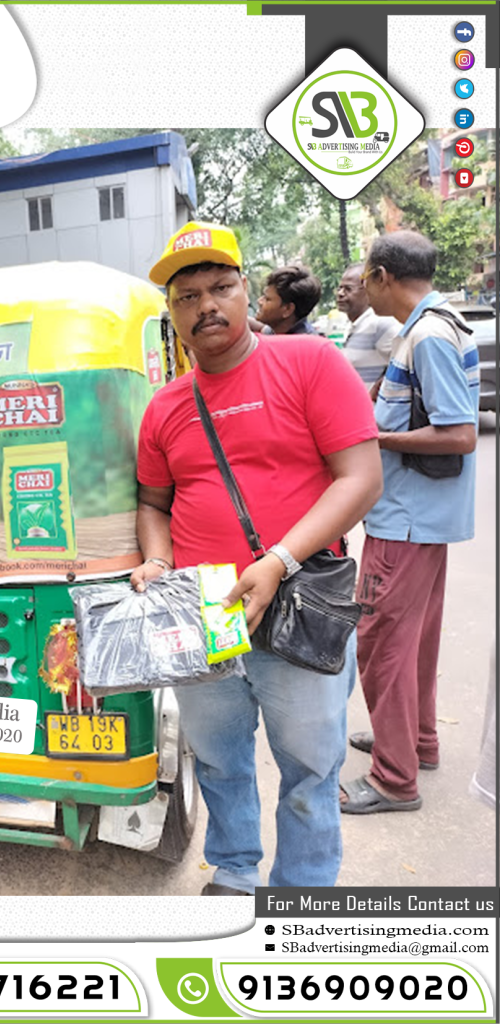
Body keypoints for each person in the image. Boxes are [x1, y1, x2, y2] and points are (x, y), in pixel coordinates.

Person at [134, 221, 382, 893]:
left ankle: (303, 890)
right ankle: (237, 872)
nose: (206, 305)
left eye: (221, 287)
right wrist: (156, 564)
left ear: (247, 292)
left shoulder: (310, 363)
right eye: (188, 296)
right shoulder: (163, 409)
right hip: (204, 608)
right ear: (173, 314)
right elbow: (155, 505)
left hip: (299, 599)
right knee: (218, 759)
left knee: (309, 768)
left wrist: (277, 560)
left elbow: (360, 478)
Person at [340, 231, 478, 815]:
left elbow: (460, 434)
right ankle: (414, 742)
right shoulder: (427, 325)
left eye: (363, 277)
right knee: (412, 642)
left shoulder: (427, 335)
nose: (359, 287)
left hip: (406, 521)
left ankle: (394, 779)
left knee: (380, 644)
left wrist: (375, 436)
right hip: (418, 518)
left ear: (382, 276)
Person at [335, 263, 400, 389]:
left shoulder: (380, 323)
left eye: (348, 289)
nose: (340, 294)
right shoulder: (355, 325)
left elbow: (408, 362)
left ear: (367, 290)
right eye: (339, 288)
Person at [252, 265, 323, 336]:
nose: (259, 301)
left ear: (288, 309)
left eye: (267, 299)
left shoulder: (302, 345)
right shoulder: (278, 332)